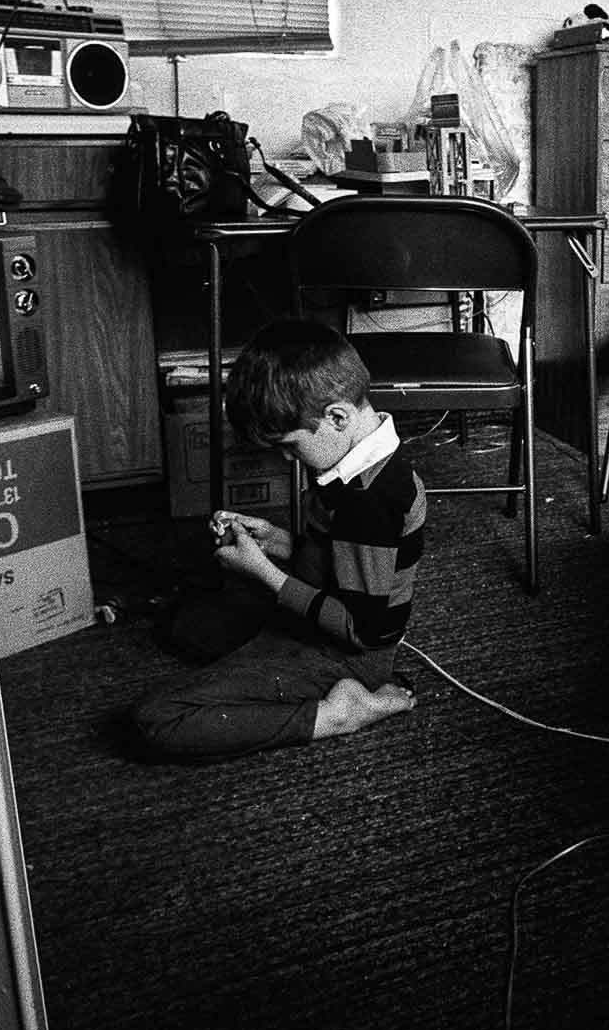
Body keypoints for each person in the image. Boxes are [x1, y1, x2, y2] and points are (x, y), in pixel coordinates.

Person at [129, 319, 423, 762]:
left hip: (345, 653)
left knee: (157, 720)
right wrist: (275, 541)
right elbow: (334, 557)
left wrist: (264, 573)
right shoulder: (353, 462)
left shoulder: (372, 501)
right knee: (186, 625)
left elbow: (363, 629)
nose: (287, 458)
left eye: (289, 445)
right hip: (315, 620)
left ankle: (339, 713)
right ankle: (295, 679)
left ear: (337, 417)